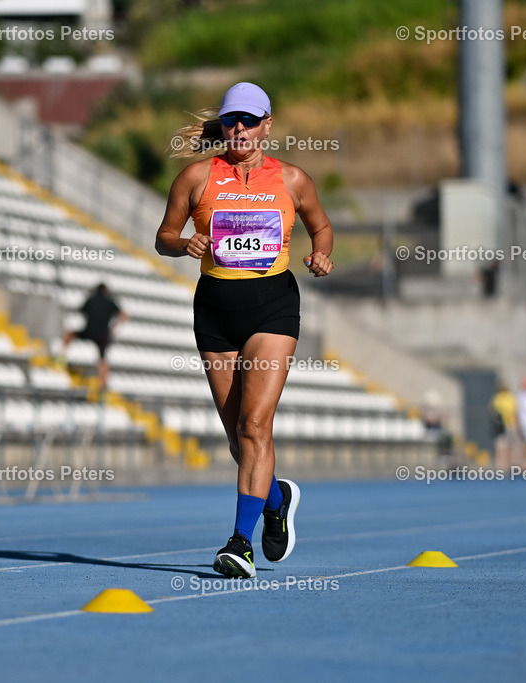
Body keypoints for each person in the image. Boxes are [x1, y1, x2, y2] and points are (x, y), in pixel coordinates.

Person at [155, 82, 334, 578]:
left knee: (255, 427)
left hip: (272, 309)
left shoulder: (293, 179)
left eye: (250, 120)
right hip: (215, 311)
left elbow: (321, 226)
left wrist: (321, 253)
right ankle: (277, 499)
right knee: (239, 440)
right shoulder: (196, 177)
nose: (240, 128)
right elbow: (164, 235)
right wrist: (183, 244)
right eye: (233, 119)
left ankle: (240, 543)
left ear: (266, 125)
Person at [61, 283, 128, 392]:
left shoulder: (91, 300)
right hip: (103, 335)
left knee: (70, 334)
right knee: (102, 360)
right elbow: (124, 315)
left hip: (89, 331)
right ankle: (103, 384)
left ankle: (61, 356)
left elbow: (79, 311)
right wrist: (114, 326)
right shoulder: (110, 301)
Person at [489, 381, 518, 470]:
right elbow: (514, 411)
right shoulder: (510, 397)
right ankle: (509, 465)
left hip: (501, 425)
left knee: (501, 446)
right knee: (509, 446)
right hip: (508, 424)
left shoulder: (497, 398)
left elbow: (492, 411)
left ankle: (501, 466)